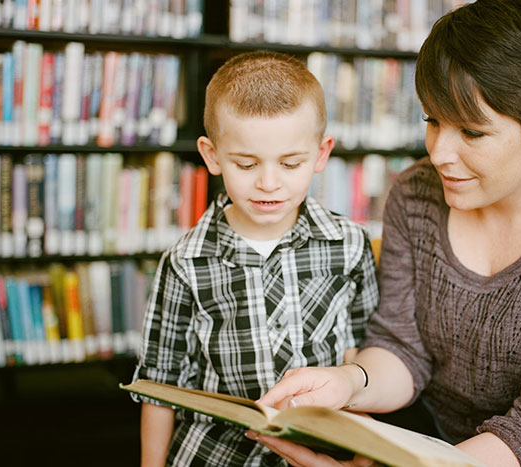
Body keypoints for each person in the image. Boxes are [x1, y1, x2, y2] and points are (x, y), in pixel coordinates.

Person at [252, 1, 521, 466]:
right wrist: (348, 383)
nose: (440, 152)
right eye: (433, 121)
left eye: (471, 132)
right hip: (434, 428)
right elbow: (402, 349)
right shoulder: (415, 192)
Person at [132, 50, 379, 466]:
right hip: (215, 454)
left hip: (320, 452)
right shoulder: (185, 261)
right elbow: (159, 385)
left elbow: (363, 358)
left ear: (321, 154)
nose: (268, 183)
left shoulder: (350, 244)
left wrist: (364, 460)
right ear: (212, 156)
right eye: (246, 164)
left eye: (290, 163)